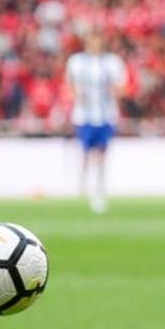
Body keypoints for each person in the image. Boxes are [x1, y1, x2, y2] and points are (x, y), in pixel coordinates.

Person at [64, 25, 127, 213]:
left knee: (101, 154)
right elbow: (69, 83)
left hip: (106, 114)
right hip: (84, 115)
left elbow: (121, 86)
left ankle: (99, 190)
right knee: (84, 152)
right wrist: (77, 94)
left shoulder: (112, 62)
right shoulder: (76, 61)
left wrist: (114, 91)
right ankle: (81, 188)